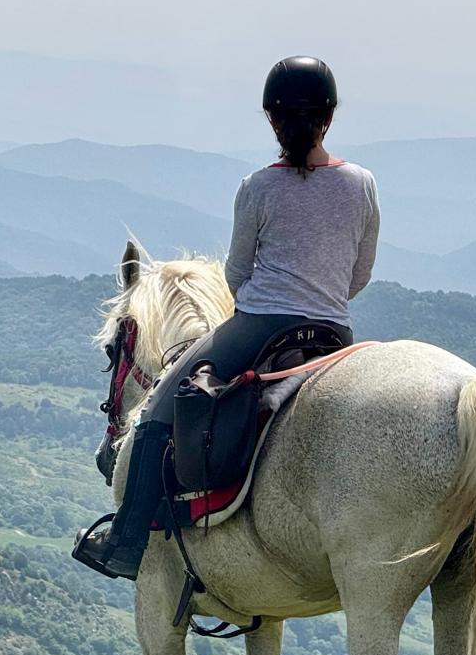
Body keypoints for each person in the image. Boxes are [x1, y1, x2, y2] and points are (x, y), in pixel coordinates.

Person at [74, 56, 380, 581]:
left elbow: (237, 275)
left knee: (152, 415)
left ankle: (124, 545)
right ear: (330, 115)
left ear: (270, 119)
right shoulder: (361, 183)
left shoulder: (257, 186)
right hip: (335, 332)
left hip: (259, 324)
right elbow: (360, 274)